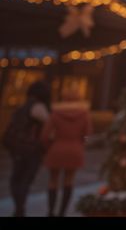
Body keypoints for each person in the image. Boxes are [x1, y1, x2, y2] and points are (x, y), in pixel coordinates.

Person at [41, 82, 90, 217]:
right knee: (69, 180)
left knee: (53, 180)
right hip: (75, 149)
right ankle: (62, 212)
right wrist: (81, 144)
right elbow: (87, 134)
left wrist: (48, 146)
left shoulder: (56, 113)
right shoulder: (84, 114)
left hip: (56, 148)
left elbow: (45, 135)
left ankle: (51, 211)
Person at [5, 79, 51, 217]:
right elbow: (49, 125)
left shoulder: (23, 106)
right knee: (25, 179)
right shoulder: (39, 107)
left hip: (17, 147)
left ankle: (19, 207)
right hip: (32, 149)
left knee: (16, 178)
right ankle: (20, 208)